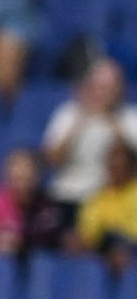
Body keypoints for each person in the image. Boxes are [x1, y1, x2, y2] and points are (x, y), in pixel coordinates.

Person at [44, 57, 137, 228]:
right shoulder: (69, 113)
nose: (102, 93)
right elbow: (52, 159)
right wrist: (80, 122)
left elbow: (130, 160)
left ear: (120, 89)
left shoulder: (130, 117)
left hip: (109, 200)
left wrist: (112, 123)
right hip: (66, 195)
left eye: (108, 88)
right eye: (98, 87)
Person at [0, 148, 65, 256]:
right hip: (0, 267)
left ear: (37, 176)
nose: (22, 183)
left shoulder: (47, 206)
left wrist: (20, 242)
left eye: (27, 175)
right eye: (17, 176)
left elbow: (51, 240)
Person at [73, 142, 137, 274]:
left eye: (122, 167)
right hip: (105, 253)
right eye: (112, 167)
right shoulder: (97, 198)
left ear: (131, 167)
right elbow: (89, 234)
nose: (116, 171)